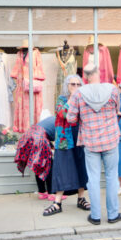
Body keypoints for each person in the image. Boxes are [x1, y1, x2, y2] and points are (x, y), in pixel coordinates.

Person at [67, 64, 121, 225]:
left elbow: (70, 119)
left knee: (93, 179)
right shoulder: (112, 90)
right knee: (112, 177)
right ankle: (113, 215)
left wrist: (82, 117)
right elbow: (117, 109)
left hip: (91, 141)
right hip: (110, 139)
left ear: (84, 77)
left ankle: (96, 216)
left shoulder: (78, 94)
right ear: (99, 73)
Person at [43, 75, 90, 216]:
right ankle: (57, 203)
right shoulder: (62, 99)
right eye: (72, 84)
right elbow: (62, 113)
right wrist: (72, 98)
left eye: (78, 84)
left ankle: (81, 198)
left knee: (81, 166)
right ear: (67, 86)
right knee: (62, 169)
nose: (75, 87)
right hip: (64, 138)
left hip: (79, 136)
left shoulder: (83, 100)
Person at [14, 116, 56, 201]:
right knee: (49, 165)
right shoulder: (62, 122)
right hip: (38, 138)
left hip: (29, 136)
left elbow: (47, 134)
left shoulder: (52, 118)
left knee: (38, 164)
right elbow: (58, 139)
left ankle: (42, 192)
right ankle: (52, 194)